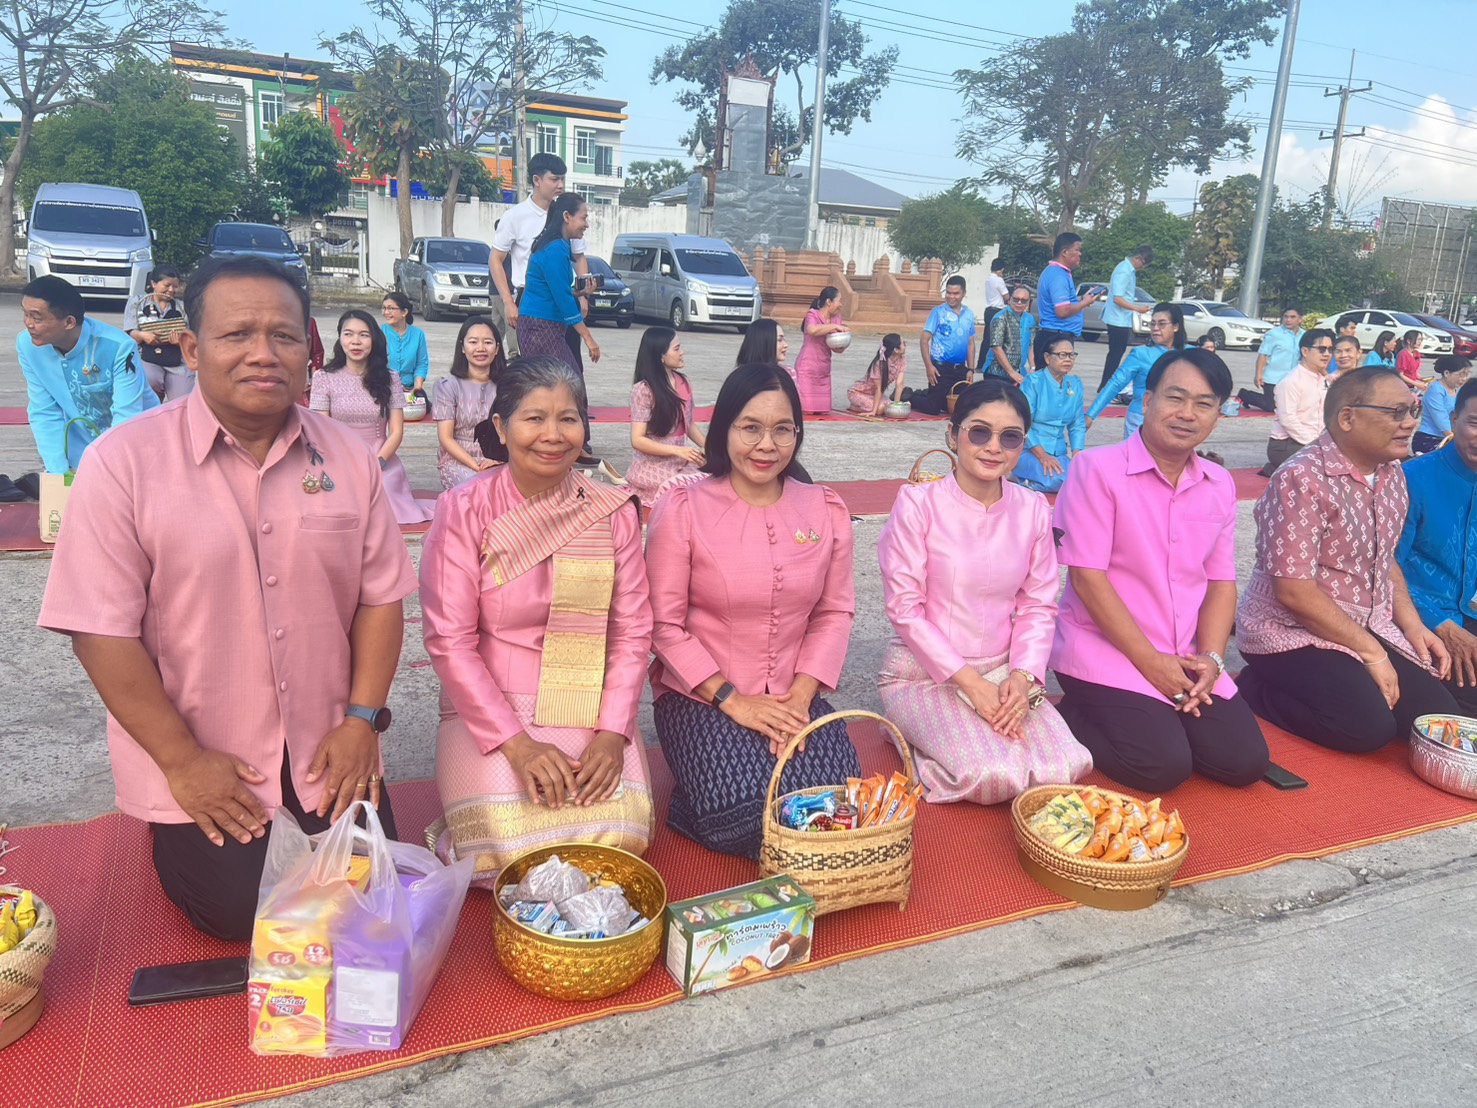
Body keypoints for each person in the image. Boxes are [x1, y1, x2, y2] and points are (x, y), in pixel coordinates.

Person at [36, 255, 417, 940]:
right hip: (211, 756)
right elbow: (98, 629)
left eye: (283, 336)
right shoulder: (122, 464)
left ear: (308, 350)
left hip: (327, 746)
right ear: (191, 348)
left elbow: (380, 599)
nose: (262, 354)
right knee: (246, 915)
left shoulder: (350, 459)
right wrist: (182, 765)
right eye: (236, 335)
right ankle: (169, 832)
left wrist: (362, 721)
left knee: (370, 889)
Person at [420, 357, 654, 883]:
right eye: (534, 418)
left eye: (568, 419)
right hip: (493, 708)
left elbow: (633, 629)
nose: (553, 435)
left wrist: (613, 733)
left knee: (621, 835)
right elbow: (449, 641)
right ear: (501, 427)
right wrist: (518, 744)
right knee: (503, 849)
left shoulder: (611, 510)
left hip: (588, 700)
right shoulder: (463, 510)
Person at [645, 364, 859, 859]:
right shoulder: (683, 508)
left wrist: (801, 697)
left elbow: (834, 612)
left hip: (792, 694)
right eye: (751, 428)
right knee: (743, 820)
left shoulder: (824, 508)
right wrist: (734, 700)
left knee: (836, 808)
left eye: (783, 429)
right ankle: (691, 807)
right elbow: (663, 625)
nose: (767, 445)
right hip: (703, 695)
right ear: (724, 429)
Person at [1051, 349, 1269, 793]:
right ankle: (1064, 715)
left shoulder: (1218, 483)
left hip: (1186, 654)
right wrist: (1151, 664)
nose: (1187, 414)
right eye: (1175, 398)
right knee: (1162, 767)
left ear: (1218, 414)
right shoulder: (1097, 470)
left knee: (1244, 762)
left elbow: (1220, 582)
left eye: (1204, 403)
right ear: (1147, 401)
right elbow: (1087, 580)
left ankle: (1162, 713)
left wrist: (1210, 658)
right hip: (1104, 647)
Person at [877, 379, 1092, 804]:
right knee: (994, 775)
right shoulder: (918, 504)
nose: (994, 447)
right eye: (979, 432)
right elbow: (905, 608)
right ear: (953, 434)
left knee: (1065, 767)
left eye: (1010, 437)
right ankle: (906, 730)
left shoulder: (1031, 508)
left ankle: (961, 731)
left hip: (1004, 669)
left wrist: (1022, 676)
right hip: (924, 676)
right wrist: (972, 685)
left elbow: (1038, 604)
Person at [1236, 367, 1457, 754]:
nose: (1409, 423)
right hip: (1288, 630)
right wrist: (1373, 655)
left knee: (1432, 721)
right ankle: (1253, 686)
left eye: (1413, 410)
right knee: (1365, 728)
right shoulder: (1301, 479)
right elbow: (1294, 593)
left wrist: (1412, 626)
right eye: (1395, 412)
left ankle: (1357, 669)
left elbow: (1384, 560)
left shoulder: (1391, 473)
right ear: (1348, 418)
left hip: (1360, 625)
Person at [18, 275, 157, 474]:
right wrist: (58, 472)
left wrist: (106, 472)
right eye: (25, 314)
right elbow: (44, 411)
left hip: (137, 448)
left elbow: (127, 416)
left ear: (69, 322)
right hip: (79, 452)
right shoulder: (27, 345)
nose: (28, 324)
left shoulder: (119, 347)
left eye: (36, 317)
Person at [310, 309, 434, 526]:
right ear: (340, 338)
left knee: (381, 498)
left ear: (373, 340)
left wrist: (378, 463)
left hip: (380, 458)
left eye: (363, 335)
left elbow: (396, 432)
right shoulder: (323, 377)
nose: (355, 341)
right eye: (348, 334)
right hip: (336, 458)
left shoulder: (390, 378)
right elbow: (321, 431)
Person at [1398, 378, 1477, 715]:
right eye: (1475, 423)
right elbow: (1383, 570)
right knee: (1455, 716)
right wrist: (1442, 626)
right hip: (1417, 619)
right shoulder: (1412, 478)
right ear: (1454, 418)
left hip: (1467, 616)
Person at [517, 193, 600, 465]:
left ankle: (568, 441)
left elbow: (561, 293)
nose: (586, 223)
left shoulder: (558, 247)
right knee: (568, 382)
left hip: (544, 326)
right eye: (583, 217)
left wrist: (581, 292)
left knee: (556, 384)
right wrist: (588, 339)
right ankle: (577, 444)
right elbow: (563, 301)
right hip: (540, 327)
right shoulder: (554, 249)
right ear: (567, 217)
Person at [490, 151, 589, 361]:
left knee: (572, 369)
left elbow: (579, 257)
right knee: (539, 372)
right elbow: (496, 259)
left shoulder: (567, 214)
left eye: (563, 179)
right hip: (533, 304)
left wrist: (583, 296)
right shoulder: (515, 216)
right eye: (554, 179)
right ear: (537, 180)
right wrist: (508, 302)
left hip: (565, 298)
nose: (560, 185)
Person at [627, 326, 707, 506]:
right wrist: (678, 450)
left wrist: (709, 447)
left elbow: (689, 425)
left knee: (716, 476)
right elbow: (638, 440)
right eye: (677, 348)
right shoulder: (644, 389)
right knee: (686, 489)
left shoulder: (684, 382)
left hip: (681, 460)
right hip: (653, 465)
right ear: (660, 356)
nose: (682, 353)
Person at [1087, 302, 1186, 439]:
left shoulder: (1190, 354)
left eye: (1162, 324)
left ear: (1176, 326)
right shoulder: (1140, 353)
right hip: (1140, 420)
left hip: (1175, 421)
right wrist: (1091, 414)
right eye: (1153, 324)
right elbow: (1115, 384)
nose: (1156, 328)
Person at [433, 315, 506, 489]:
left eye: (488, 342)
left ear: (496, 349)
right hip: (459, 460)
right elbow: (445, 438)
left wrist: (496, 461)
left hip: (499, 457)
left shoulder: (508, 386)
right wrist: (476, 466)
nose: (480, 348)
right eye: (473, 342)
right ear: (463, 348)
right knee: (477, 487)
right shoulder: (448, 386)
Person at [1012, 335, 1085, 493]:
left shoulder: (1075, 384)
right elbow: (1023, 423)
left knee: (1083, 479)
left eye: (1071, 355)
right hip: (1029, 451)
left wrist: (1077, 453)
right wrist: (1042, 455)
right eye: (1062, 355)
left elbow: (1077, 424)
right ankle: (1018, 478)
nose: (1068, 359)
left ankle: (1031, 481)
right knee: (1057, 481)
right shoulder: (1033, 383)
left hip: (1058, 453)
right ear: (1047, 357)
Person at [1258, 328, 1334, 477]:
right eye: (1321, 349)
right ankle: (1275, 468)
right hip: (1286, 444)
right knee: (1323, 468)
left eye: (1330, 349)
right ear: (1305, 351)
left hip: (1315, 441)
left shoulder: (1323, 380)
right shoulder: (1291, 381)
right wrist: (1314, 444)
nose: (1327, 354)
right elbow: (1288, 420)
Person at [124, 265, 192, 402]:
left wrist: (181, 341)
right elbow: (129, 332)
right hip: (148, 357)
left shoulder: (183, 307)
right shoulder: (137, 302)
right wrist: (142, 335)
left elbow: (193, 336)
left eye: (175, 286)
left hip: (177, 361)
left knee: (183, 401)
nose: (171, 290)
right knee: (149, 381)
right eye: (167, 285)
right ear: (153, 284)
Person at [1035, 233, 1102, 370]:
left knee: (1050, 383)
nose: (1080, 254)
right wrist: (1084, 303)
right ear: (1065, 252)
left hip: (1055, 335)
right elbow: (1062, 311)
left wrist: (1082, 299)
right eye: (1077, 249)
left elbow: (1061, 303)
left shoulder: (1056, 272)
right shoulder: (1058, 275)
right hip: (1056, 337)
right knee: (1051, 383)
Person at [914, 275, 976, 415]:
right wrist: (929, 366)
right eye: (948, 293)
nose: (951, 297)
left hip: (960, 370)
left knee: (963, 408)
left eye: (956, 293)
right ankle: (912, 396)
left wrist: (970, 369)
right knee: (933, 408)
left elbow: (970, 343)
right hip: (940, 369)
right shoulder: (938, 312)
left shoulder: (969, 314)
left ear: (963, 294)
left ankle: (931, 394)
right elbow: (924, 340)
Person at [1100, 245, 1156, 388]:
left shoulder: (1128, 270)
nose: (1142, 268)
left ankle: (1108, 384)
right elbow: (1117, 298)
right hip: (1117, 319)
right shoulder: (1124, 271)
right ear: (1137, 258)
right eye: (1143, 264)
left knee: (1117, 353)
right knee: (1115, 354)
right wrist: (1137, 309)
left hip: (1122, 318)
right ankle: (1107, 385)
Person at [794, 286, 848, 415]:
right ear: (829, 302)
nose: (841, 305)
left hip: (823, 367)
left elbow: (837, 349)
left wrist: (843, 342)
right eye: (839, 301)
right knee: (807, 412)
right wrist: (834, 327)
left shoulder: (837, 318)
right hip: (808, 367)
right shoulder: (813, 314)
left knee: (823, 412)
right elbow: (812, 330)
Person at [1238, 307, 1303, 413]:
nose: (1288, 320)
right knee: (1272, 407)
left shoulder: (1304, 336)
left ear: (1300, 319)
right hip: (1273, 378)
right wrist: (1258, 374)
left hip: (1293, 378)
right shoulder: (1273, 334)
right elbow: (1263, 355)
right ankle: (1245, 395)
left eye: (1292, 317)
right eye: (1286, 317)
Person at [1412, 354, 1471, 454]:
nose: (1464, 379)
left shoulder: (1458, 389)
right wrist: (1456, 440)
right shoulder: (1436, 390)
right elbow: (1440, 417)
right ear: (1447, 373)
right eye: (1460, 375)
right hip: (1429, 439)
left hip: (1450, 438)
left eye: (1466, 375)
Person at [980, 286, 1034, 384]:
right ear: (1009, 300)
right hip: (996, 373)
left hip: (1019, 373)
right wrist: (1011, 372)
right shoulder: (1000, 318)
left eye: (1023, 301)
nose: (1019, 303)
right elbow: (996, 347)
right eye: (1016, 299)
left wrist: (1033, 367)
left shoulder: (1029, 319)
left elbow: (1030, 344)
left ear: (1028, 302)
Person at [380, 291, 429, 393]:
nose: (386, 312)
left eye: (391, 308)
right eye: (384, 308)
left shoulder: (418, 334)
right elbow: (374, 364)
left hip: (409, 389)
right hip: (384, 388)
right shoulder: (379, 333)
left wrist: (417, 387)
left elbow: (421, 364)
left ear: (404, 312)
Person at [846, 333, 907, 415]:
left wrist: (896, 405)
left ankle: (870, 407)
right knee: (880, 410)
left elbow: (899, 384)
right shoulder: (879, 364)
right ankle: (854, 407)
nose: (905, 346)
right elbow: (879, 388)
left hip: (874, 395)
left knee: (889, 407)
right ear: (896, 350)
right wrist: (873, 412)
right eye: (903, 343)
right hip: (858, 393)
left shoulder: (902, 360)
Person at [982, 256, 1009, 335]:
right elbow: (1006, 297)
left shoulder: (988, 280)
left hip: (988, 310)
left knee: (987, 337)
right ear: (1002, 270)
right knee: (996, 336)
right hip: (997, 311)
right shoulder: (999, 280)